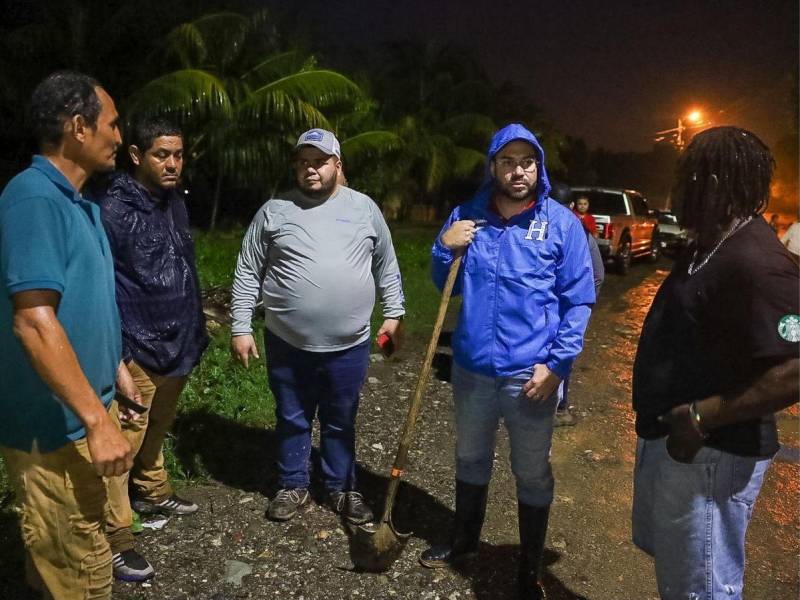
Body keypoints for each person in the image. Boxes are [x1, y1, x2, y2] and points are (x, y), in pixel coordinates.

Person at [420, 123, 595, 599]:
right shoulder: (468, 216)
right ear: (492, 166)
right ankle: (464, 541)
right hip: (472, 369)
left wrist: (556, 366)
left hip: (530, 376)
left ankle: (531, 566)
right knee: (470, 455)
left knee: (531, 469)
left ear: (538, 166)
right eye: (508, 161)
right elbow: (446, 286)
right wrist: (444, 246)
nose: (519, 171)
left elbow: (578, 301)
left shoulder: (560, 224)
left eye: (527, 162)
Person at [631, 127, 799, 600]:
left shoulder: (758, 261)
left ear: (726, 184)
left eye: (696, 178)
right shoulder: (711, 243)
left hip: (712, 449)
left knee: (702, 588)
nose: (683, 190)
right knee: (679, 575)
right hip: (678, 441)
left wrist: (703, 416)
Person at [0, 71, 137, 600]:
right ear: (78, 127)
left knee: (66, 556)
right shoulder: (33, 199)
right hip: (54, 428)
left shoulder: (81, 205)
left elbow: (83, 303)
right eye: (113, 124)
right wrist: (95, 419)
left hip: (81, 413)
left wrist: (113, 371)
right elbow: (33, 320)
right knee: (82, 570)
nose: (120, 137)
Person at [230, 128, 405, 525]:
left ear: (337, 165)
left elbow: (387, 265)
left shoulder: (364, 209)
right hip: (286, 341)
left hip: (350, 344)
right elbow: (247, 271)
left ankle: (342, 487)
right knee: (292, 416)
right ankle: (293, 483)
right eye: (304, 162)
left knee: (340, 418)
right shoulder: (274, 211)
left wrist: (394, 315)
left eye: (320, 161)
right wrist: (241, 326)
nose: (311, 169)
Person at [95, 116, 209, 581]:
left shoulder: (174, 201)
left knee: (158, 427)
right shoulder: (111, 208)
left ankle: (154, 489)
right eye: (163, 154)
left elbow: (183, 265)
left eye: (178, 155)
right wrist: (120, 354)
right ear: (137, 155)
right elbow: (102, 285)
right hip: (137, 347)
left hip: (179, 341)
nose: (173, 164)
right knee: (121, 446)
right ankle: (116, 537)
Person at [549, 183, 604, 426]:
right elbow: (598, 275)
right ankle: (558, 409)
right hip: (566, 308)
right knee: (562, 355)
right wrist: (583, 305)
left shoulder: (535, 227)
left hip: (545, 309)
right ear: (572, 206)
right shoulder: (581, 232)